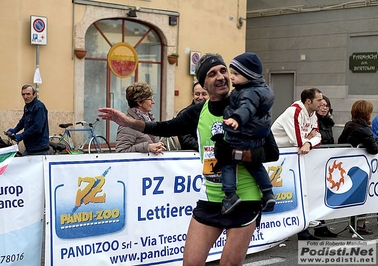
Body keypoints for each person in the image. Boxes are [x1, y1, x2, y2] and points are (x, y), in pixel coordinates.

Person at [98, 53, 278, 265]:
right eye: (212, 74)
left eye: (223, 71)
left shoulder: (247, 106)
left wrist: (235, 154)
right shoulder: (196, 113)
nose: (220, 77)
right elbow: (164, 128)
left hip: (245, 197)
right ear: (203, 83)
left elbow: (272, 152)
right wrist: (128, 122)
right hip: (211, 198)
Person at [214, 52, 275, 214]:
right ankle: (268, 192)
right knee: (254, 165)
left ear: (249, 76)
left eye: (236, 74)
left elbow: (246, 108)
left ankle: (230, 196)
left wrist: (236, 119)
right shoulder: (261, 89)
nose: (231, 77)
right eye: (231, 73)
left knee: (227, 161)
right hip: (255, 140)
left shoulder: (249, 93)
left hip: (240, 137)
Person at [271, 87, 323, 240]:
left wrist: (308, 143)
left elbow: (318, 137)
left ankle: (303, 232)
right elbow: (297, 141)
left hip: (294, 158)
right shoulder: (294, 111)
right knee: (282, 195)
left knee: (300, 194)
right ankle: (277, 232)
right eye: (319, 100)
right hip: (278, 158)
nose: (322, 103)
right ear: (308, 101)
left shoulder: (313, 114)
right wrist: (307, 140)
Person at [338, 99, 377, 235]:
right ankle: (359, 225)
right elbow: (374, 149)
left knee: (357, 196)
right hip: (361, 168)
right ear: (366, 113)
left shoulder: (350, 125)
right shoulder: (364, 129)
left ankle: (355, 224)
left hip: (351, 167)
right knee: (364, 195)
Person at [115, 82, 166, 155]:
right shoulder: (128, 124)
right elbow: (121, 152)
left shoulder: (149, 119)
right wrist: (147, 147)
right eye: (150, 99)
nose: (153, 102)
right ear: (139, 102)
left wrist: (159, 146)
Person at [313, 95, 338, 238]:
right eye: (321, 105)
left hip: (325, 161)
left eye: (326, 105)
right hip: (314, 161)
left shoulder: (328, 122)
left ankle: (321, 226)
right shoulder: (312, 121)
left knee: (322, 195)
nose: (324, 108)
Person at [7, 84, 49, 156]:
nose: (25, 97)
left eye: (28, 94)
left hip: (39, 149)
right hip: (30, 148)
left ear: (35, 94)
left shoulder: (39, 107)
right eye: (23, 94)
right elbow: (23, 121)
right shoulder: (27, 106)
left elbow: (37, 128)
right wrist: (14, 130)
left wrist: (21, 136)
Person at [177, 82, 209, 151]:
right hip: (191, 157)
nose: (200, 97)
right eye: (197, 94)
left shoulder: (217, 113)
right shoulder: (184, 115)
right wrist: (205, 148)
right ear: (193, 95)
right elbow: (185, 140)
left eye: (204, 94)